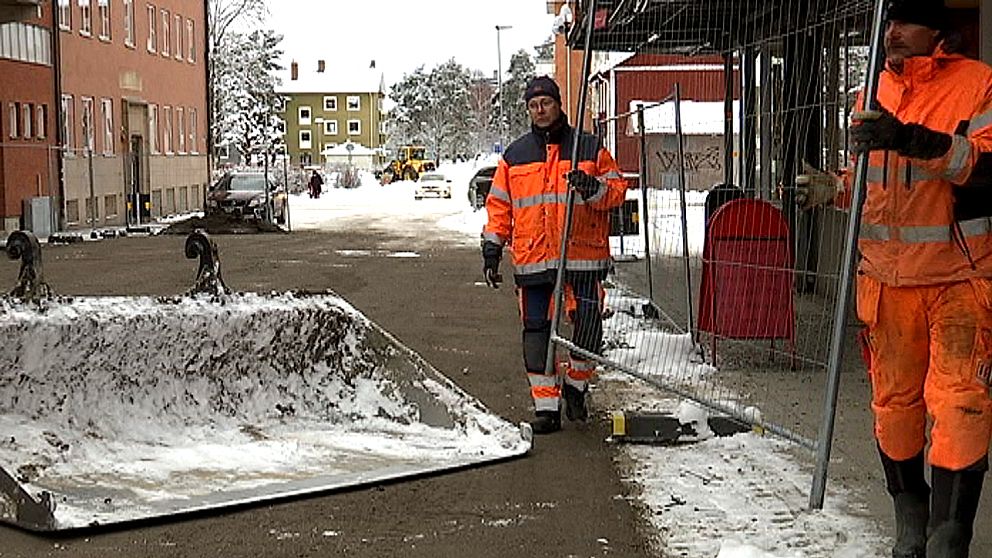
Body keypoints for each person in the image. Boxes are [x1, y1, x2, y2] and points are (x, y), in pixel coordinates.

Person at [797, 2, 992, 556]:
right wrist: (834, 189)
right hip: (886, 283)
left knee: (959, 404)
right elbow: (872, 180)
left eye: (905, 22)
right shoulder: (872, 90)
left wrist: (909, 138)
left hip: (959, 278)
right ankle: (910, 516)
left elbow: (983, 166)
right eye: (888, 23)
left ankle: (949, 535)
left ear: (936, 31)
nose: (893, 33)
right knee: (894, 409)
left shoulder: (977, 84)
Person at [481, 76, 627, 434]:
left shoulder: (589, 148)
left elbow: (618, 191)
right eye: (533, 105)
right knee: (536, 332)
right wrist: (491, 250)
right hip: (533, 261)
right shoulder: (514, 156)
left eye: (545, 102)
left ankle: (576, 385)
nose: (540, 110)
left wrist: (594, 188)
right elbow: (500, 206)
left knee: (589, 329)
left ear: (559, 104)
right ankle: (546, 408)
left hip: (582, 258)